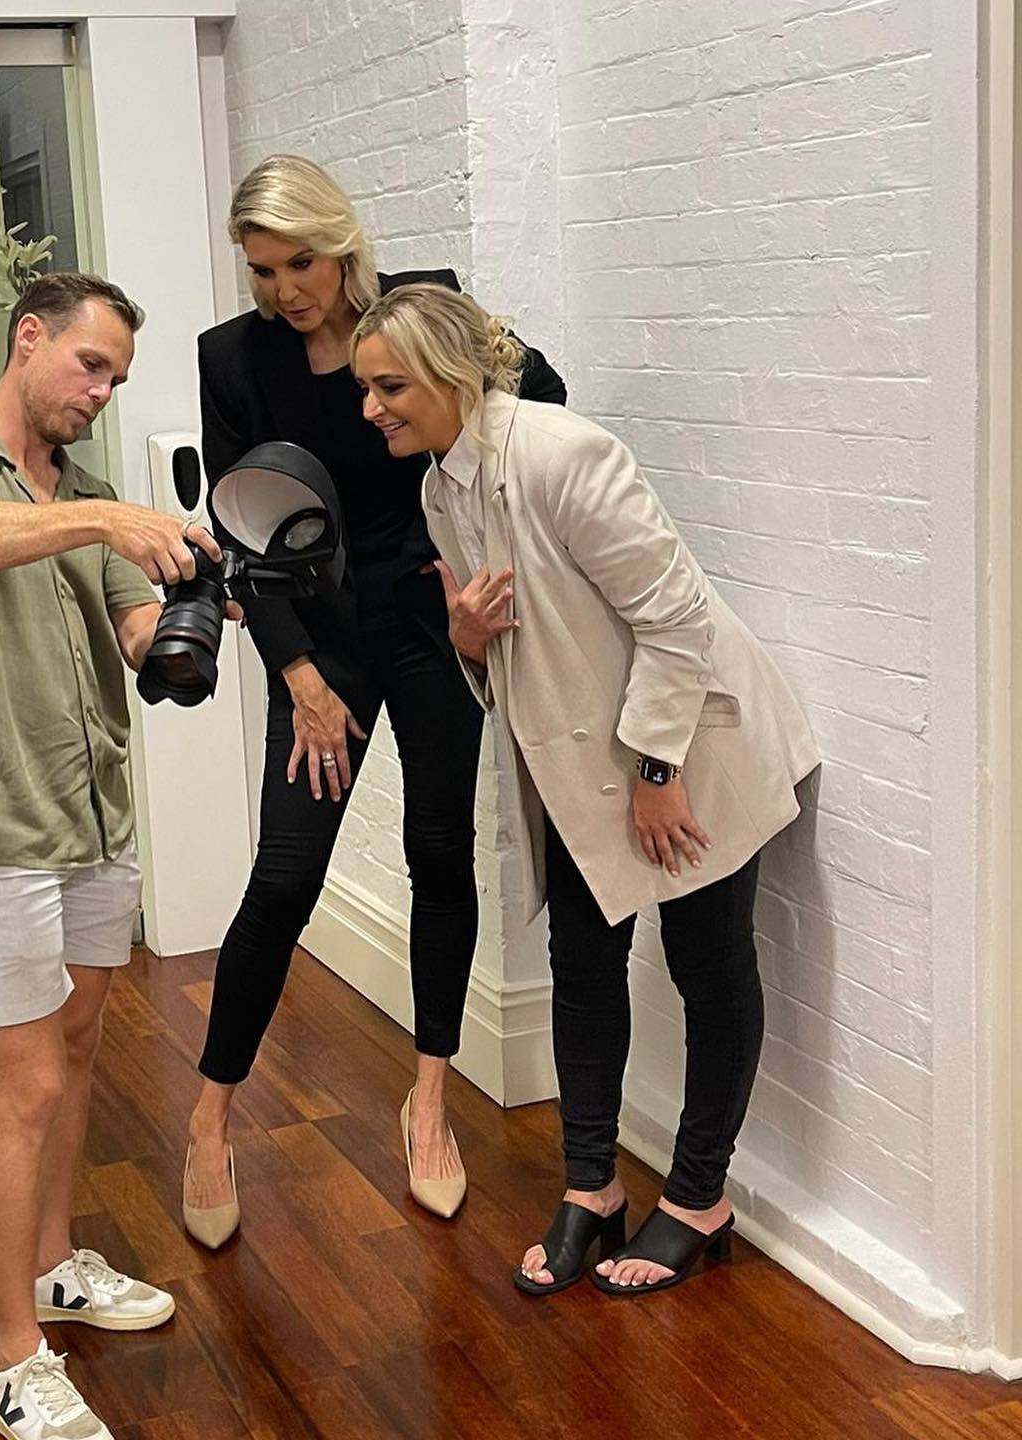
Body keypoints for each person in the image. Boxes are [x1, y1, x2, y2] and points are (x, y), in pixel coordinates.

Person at [351, 283, 820, 1297]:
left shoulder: (564, 454)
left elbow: (676, 618)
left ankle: (698, 1199)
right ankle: (592, 1191)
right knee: (584, 969)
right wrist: (465, 640)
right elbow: (514, 648)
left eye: (390, 387)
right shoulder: (440, 491)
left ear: (450, 375)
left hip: (692, 750)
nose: (371, 408)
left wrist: (656, 772)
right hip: (580, 768)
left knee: (706, 966)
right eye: (366, 389)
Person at [181, 154, 567, 1247]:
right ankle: (209, 1120)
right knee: (285, 878)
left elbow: (542, 397)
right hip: (319, 644)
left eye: (300, 263)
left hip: (433, 626)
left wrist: (487, 542)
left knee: (440, 854)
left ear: (341, 242)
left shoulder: (417, 308)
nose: (284, 289)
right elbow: (242, 530)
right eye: (262, 270)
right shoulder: (234, 357)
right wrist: (298, 675)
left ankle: (428, 1101)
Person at [0, 271, 232, 1440]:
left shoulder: (89, 496)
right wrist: (102, 521)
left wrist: (195, 607)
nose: (102, 393)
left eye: (117, 379)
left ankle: (52, 1266)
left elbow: (137, 634)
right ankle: (11, 1358)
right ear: (29, 338)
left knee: (75, 1053)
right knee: (24, 1083)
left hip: (93, 813)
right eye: (91, 366)